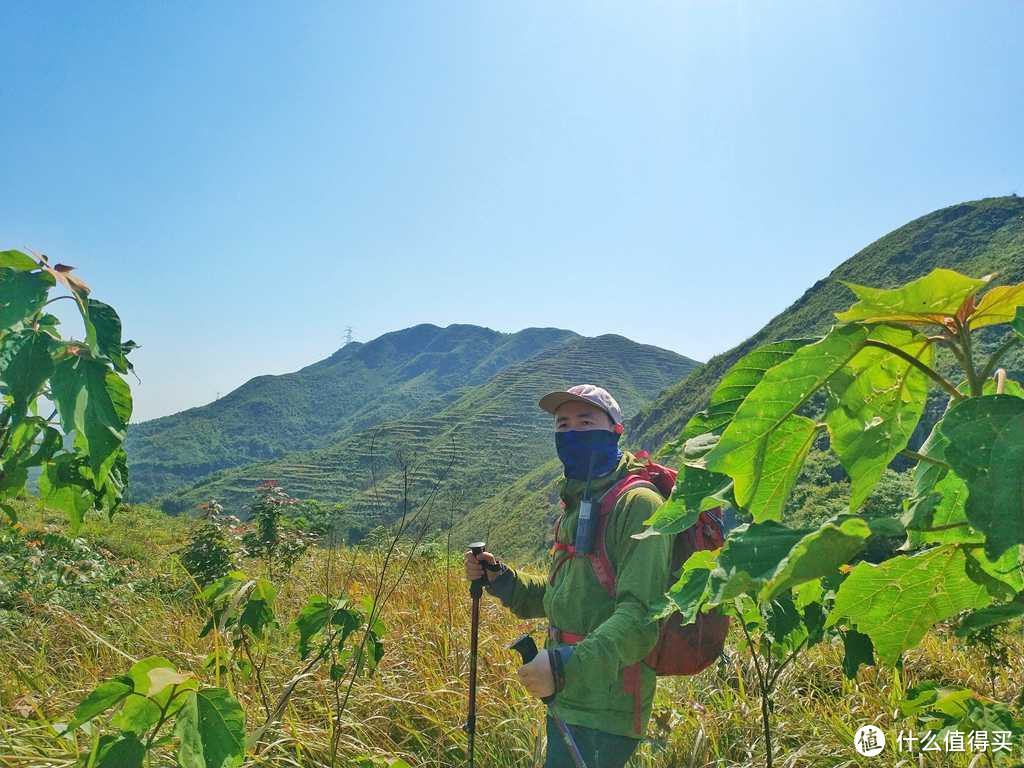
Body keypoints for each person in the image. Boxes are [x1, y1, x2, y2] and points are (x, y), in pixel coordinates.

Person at [465, 384, 672, 768]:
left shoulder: (638, 504)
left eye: (585, 421)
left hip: (606, 706)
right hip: (569, 696)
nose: (572, 432)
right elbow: (563, 595)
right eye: (563, 424)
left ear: (616, 430)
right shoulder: (581, 500)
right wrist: (502, 579)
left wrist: (562, 667)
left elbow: (641, 617)